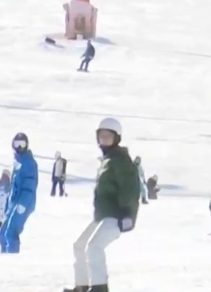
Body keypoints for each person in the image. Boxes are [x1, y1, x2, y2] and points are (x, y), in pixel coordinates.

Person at [63, 118, 140, 292]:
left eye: (108, 137)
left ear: (116, 138)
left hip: (117, 215)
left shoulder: (121, 160)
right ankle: (81, 286)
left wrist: (128, 214)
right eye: (101, 136)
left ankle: (100, 288)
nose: (104, 140)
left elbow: (130, 189)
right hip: (103, 214)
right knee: (79, 245)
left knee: (94, 246)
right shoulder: (108, 160)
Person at [0, 132, 38, 254]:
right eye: (17, 144)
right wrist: (8, 206)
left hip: (24, 204)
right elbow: (13, 187)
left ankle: (12, 260)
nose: (20, 147)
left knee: (11, 233)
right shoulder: (17, 162)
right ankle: (4, 258)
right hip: (14, 203)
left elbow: (30, 185)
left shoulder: (29, 162)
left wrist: (23, 204)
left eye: (22, 144)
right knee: (2, 235)